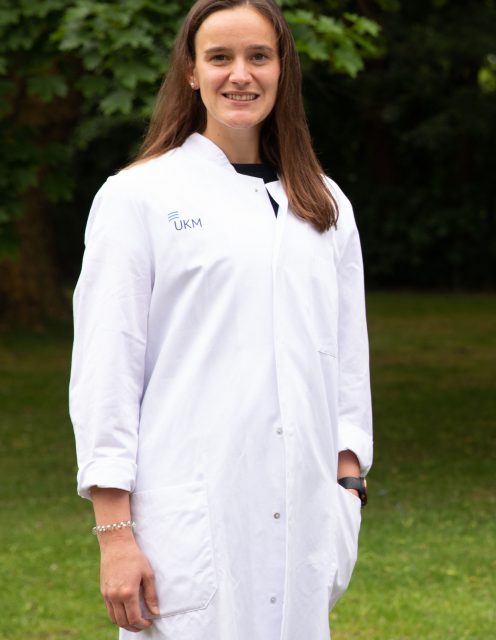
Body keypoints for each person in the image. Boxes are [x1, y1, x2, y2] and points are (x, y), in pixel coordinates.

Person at [69, 0, 372, 637]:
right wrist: (115, 533)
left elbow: (347, 363)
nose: (241, 74)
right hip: (188, 519)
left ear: (282, 69)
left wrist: (348, 488)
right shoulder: (138, 197)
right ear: (190, 71)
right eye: (221, 57)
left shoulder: (325, 203)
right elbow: (106, 371)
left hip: (305, 518)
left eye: (259, 56)